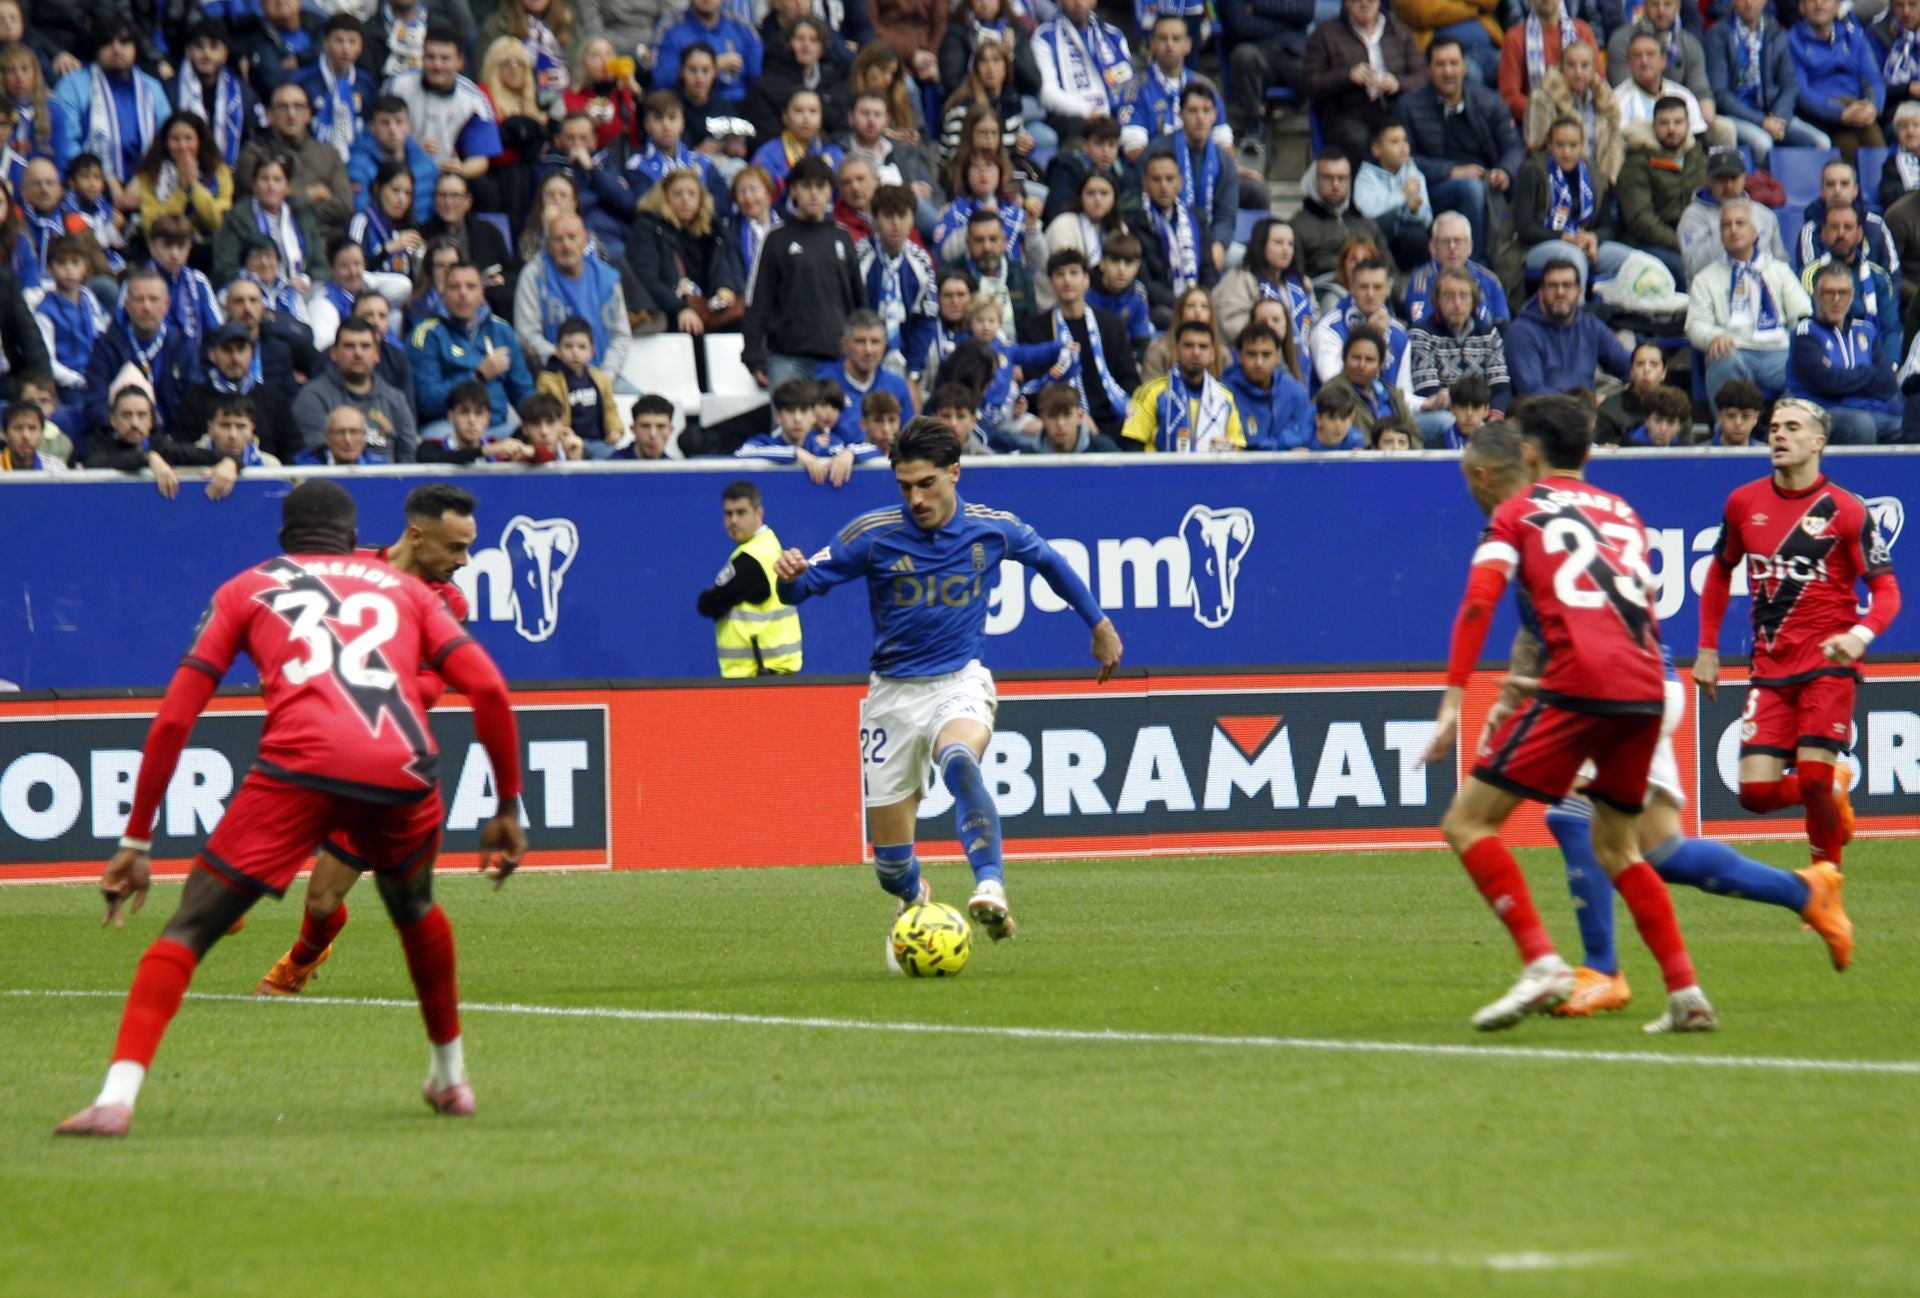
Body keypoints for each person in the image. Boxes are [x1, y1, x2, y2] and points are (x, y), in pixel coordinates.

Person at [55, 480, 524, 1138]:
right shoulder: (410, 594)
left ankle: (116, 1099)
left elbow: (172, 722)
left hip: (301, 761)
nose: (464, 558)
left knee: (190, 926)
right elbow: (491, 690)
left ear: (285, 537)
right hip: (403, 767)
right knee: (414, 908)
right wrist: (508, 803)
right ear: (360, 534)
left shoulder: (247, 587)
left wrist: (136, 839)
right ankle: (451, 1079)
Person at [1454, 426, 1850, 1024]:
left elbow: (1540, 617)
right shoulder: (1593, 509)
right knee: (1658, 848)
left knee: (1571, 817)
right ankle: (1805, 892)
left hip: (1613, 684)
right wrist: (1517, 692)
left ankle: (1601, 970)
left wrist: (1495, 697)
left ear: (1512, 465)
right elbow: (1547, 622)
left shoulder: (1529, 513)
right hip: (1645, 679)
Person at [774, 417, 1122, 951]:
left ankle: (991, 887)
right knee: (890, 866)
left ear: (954, 473)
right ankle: (913, 895)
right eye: (904, 486)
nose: (915, 498)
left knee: (959, 758)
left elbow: (1050, 561)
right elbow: (802, 590)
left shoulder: (991, 527)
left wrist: (1099, 626)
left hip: (959, 681)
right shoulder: (872, 534)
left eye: (926, 484)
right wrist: (789, 576)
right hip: (892, 698)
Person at [1422, 404, 1715, 1034]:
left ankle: (1541, 963)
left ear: (1530, 453)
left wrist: (1453, 701)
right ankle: (1686, 992)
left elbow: (1478, 605)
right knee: (1618, 846)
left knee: (1468, 823)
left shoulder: (1517, 511)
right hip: (1646, 687)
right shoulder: (1625, 514)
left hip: (1582, 686)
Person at [251, 483, 478, 997]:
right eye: (456, 547)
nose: (464, 561)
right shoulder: (346, 568)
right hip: (315, 742)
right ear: (418, 536)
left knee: (323, 901)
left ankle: (302, 959)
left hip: (380, 761)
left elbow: (430, 687)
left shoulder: (447, 602)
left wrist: (376, 682)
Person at [1694, 398, 1901, 876]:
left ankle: (1825, 883)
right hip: (1769, 667)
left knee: (1810, 776)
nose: (1778, 436)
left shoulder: (1847, 510)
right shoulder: (1743, 503)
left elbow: (1888, 592)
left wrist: (1860, 635)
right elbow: (1720, 574)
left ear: (1817, 443)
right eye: (1773, 428)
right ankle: (1833, 787)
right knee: (1755, 794)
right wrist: (1707, 648)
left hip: (1829, 662)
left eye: (1791, 428)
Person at [744, 154, 865, 391]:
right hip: (787, 358)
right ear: (793, 191)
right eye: (806, 186)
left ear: (831, 191)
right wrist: (754, 355)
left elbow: (858, 301)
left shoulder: (843, 237)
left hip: (837, 358)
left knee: (837, 429)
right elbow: (758, 300)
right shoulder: (775, 238)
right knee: (789, 428)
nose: (813, 193)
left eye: (820, 186)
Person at [1395, 38, 1521, 262]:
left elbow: (1513, 147)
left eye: (1453, 63)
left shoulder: (1489, 102)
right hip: (1432, 187)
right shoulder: (1409, 106)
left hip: (1486, 181)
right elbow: (1404, 160)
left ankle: (1508, 260)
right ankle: (1476, 263)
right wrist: (1451, 171)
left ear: (1464, 66)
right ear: (1429, 70)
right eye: (1440, 64)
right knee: (1470, 188)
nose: (1448, 71)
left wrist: (1504, 171)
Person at [1687, 197, 1812, 404]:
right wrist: (1715, 336)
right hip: (1735, 352)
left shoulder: (1779, 271)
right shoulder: (1705, 278)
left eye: (1740, 223)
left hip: (1778, 354)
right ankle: (1727, 432)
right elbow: (1696, 325)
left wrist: (1799, 344)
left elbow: (1802, 314)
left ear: (1755, 233)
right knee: (1721, 359)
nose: (1733, 230)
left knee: (1805, 362)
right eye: (1726, 225)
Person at [1018, 248, 1138, 444]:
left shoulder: (1111, 325)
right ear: (1051, 283)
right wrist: (1076, 417)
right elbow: (1036, 387)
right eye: (1059, 274)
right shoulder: (1033, 330)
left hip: (1112, 420)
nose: (1067, 280)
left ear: (1086, 280)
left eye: (1073, 273)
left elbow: (1128, 378)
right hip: (1060, 423)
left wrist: (1132, 412)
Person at [412, 260, 535, 443]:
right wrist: (478, 374)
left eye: (470, 287)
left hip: (499, 429)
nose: (463, 293)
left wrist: (541, 422)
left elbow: (524, 391)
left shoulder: (501, 330)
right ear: (443, 292)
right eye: (455, 287)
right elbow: (427, 401)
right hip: (447, 429)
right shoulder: (426, 334)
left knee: (538, 436)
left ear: (482, 292)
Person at [696, 480, 804, 678]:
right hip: (774, 672)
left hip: (759, 677)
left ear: (759, 513)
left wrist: (710, 592)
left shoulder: (751, 560)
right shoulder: (769, 543)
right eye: (728, 514)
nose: (734, 520)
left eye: (741, 512)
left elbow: (707, 604)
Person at [1787, 260, 1905, 442]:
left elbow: (1887, 383)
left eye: (1842, 293)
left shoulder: (1866, 331)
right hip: (1820, 414)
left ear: (1851, 296)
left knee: (1905, 425)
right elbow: (1828, 383)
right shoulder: (1806, 333)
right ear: (1816, 295)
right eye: (1829, 293)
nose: (1836, 299)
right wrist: (1867, 373)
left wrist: (1845, 377)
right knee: (1861, 425)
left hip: (1868, 411)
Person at [1301, 0, 1427, 168]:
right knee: (1357, 138)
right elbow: (1309, 83)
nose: (1364, 3)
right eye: (1356, 0)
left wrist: (1398, 83)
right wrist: (1347, 75)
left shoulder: (1399, 31)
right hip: (1347, 113)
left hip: (1394, 109)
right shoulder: (1325, 33)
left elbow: (1423, 77)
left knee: (1414, 132)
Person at [386, 28, 503, 207]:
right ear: (422, 58)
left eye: (445, 58)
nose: (437, 65)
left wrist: (461, 169)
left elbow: (481, 159)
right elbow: (377, 135)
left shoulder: (474, 100)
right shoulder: (398, 86)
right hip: (400, 168)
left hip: (446, 178)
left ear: (460, 62)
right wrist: (411, 151)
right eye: (431, 57)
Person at [1514, 115, 1631, 294]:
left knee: (1633, 260)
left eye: (1573, 145)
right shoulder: (1532, 171)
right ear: (1549, 145)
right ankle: (1577, 317)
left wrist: (1593, 238)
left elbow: (1607, 226)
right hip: (1536, 247)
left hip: (1584, 244)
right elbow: (1525, 228)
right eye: (1560, 145)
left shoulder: (1593, 174)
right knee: (1572, 259)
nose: (1566, 152)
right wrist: (1564, 237)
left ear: (1582, 146)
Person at [50, 18, 165, 199]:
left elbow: (166, 138)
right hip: (87, 189)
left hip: (147, 186)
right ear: (96, 48)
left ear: (135, 47)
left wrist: (146, 177)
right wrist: (101, 178)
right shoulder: (72, 85)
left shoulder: (152, 88)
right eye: (107, 42)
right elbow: (67, 143)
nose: (117, 49)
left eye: (124, 42)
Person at [1704, 0, 1829, 165]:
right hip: (1737, 116)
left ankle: (1808, 190)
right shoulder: (1718, 35)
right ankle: (1763, 188)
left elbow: (1790, 85)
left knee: (1822, 143)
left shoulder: (1776, 32)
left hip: (1773, 115)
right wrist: (1762, 121)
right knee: (1762, 143)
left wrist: (1779, 117)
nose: (1749, 3)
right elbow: (1721, 95)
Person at [235, 81, 354, 244]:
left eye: (298, 107)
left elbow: (344, 206)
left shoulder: (329, 153)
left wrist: (292, 202)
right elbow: (262, 202)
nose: (291, 114)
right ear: (270, 115)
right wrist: (309, 195)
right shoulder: (253, 153)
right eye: (283, 107)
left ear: (308, 114)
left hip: (324, 241)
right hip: (268, 241)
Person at [295, 316, 420, 460]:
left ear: (377, 354)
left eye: (365, 346)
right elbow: (317, 456)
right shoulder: (312, 397)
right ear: (334, 353)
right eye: (349, 346)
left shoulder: (396, 399)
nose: (358, 353)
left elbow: (408, 456)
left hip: (389, 480)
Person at [85, 385, 243, 498]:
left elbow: (205, 455)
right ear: (113, 420)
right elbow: (94, 464)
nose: (134, 423)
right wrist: (148, 458)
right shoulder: (100, 445)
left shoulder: (161, 446)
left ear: (152, 421)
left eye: (142, 415)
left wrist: (231, 462)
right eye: (127, 415)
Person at [1409, 265, 1510, 441]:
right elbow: (1428, 390)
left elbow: (1501, 387)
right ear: (1437, 300)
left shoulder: (1489, 333)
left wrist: (1494, 417)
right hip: (1443, 414)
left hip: (1482, 413)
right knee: (1447, 422)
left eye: (1463, 296)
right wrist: (1471, 418)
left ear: (1474, 300)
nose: (1457, 303)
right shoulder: (1422, 333)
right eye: (1449, 296)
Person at [1505, 258, 1633, 395]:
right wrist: (1582, 405)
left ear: (1579, 292)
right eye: (1552, 286)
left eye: (1567, 285)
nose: (1560, 292)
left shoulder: (1590, 325)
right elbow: (1532, 391)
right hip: (1542, 413)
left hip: (1586, 410)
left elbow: (1628, 368)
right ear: (1540, 293)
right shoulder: (1520, 331)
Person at [1799, 203, 1904, 365]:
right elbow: (1807, 325)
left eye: (1848, 227)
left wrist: (1891, 366)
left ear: (1859, 234)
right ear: (1824, 234)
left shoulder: (1879, 276)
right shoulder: (1810, 275)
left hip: (1872, 358)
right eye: (1834, 227)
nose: (1841, 234)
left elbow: (1890, 327)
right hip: (1828, 356)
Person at [1119, 319, 1244, 453]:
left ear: (1212, 354)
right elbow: (1132, 447)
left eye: (1203, 346)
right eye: (1188, 345)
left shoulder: (1225, 398)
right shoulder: (1150, 392)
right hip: (1160, 472)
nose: (1196, 352)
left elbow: (1237, 448)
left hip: (1211, 473)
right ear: (1176, 350)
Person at [1616, 97, 1703, 285]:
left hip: (1695, 241)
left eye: (1678, 122)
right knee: (1685, 267)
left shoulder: (1698, 158)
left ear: (1688, 124)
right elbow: (1642, 221)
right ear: (1653, 126)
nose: (1671, 129)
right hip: (1649, 244)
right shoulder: (1637, 163)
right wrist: (1683, 244)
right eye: (1664, 123)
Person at [1789, 0, 1887, 163]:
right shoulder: (1793, 41)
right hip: (1819, 115)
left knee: (1850, 138)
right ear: (1801, 7)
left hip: (1855, 113)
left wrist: (1872, 107)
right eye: (1812, 0)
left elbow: (1873, 79)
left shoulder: (1853, 35)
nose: (1819, 4)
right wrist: (1840, 113)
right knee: (1857, 135)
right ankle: (1888, 178)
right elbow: (1801, 92)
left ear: (1837, 7)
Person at [1221, 0, 1315, 163]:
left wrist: (1257, 6)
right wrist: (1288, 24)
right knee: (1243, 56)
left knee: (1314, 65)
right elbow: (1239, 25)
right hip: (1256, 50)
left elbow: (1305, 11)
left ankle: (1292, 108)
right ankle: (1255, 122)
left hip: (1293, 52)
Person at [1309, 256, 1411, 397]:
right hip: (1341, 413)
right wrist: (1371, 336)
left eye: (1377, 287)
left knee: (1442, 417)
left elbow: (1404, 396)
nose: (1370, 294)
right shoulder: (1328, 330)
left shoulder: (1399, 333)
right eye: (1363, 286)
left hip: (1389, 414)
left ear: (1387, 289)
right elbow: (1336, 387)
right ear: (1351, 287)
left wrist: (1429, 403)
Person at [1523, 40, 1623, 184]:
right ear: (1561, 66)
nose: (1578, 72)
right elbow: (1537, 147)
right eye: (1571, 65)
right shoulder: (1543, 99)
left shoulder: (1605, 99)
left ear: (1594, 68)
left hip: (1599, 181)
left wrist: (1606, 179)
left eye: (1584, 66)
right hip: (1557, 181)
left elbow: (1615, 140)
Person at [1679, 148, 1789, 278]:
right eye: (1721, 179)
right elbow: (1694, 267)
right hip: (1713, 291)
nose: (1728, 186)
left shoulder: (1764, 215)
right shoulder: (1693, 216)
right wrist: (1726, 226)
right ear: (1709, 180)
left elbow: (1781, 261)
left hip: (1762, 287)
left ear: (1743, 178)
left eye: (1733, 178)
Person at [736, 377, 870, 483]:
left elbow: (878, 450)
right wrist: (796, 453)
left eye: (804, 411)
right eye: (790, 411)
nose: (798, 418)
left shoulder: (824, 446)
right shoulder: (765, 442)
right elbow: (743, 452)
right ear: (778, 417)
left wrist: (850, 453)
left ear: (813, 416)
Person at [1031, 0, 1132, 141]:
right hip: (1075, 119)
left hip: (1117, 116)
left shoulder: (1114, 36)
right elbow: (1048, 94)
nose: (1078, 3)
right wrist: (1090, 112)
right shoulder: (1045, 36)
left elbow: (1130, 86)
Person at [1293, 152, 1394, 283]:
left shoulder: (1367, 223)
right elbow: (1295, 281)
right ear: (1315, 180)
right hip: (1324, 295)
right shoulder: (1298, 226)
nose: (1335, 185)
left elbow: (1391, 272)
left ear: (1350, 180)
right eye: (1328, 178)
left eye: (1341, 178)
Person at [133, 112, 232, 243]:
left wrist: (194, 186)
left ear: (199, 141)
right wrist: (180, 191)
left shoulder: (219, 170)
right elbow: (151, 224)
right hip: (165, 245)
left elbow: (218, 221)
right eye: (175, 139)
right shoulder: (152, 172)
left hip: (208, 246)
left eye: (188, 139)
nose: (182, 146)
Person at [1214, 217, 1315, 345]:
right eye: (1278, 242)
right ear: (1261, 245)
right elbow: (1233, 325)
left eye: (1290, 244)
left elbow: (1315, 322)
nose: (1286, 249)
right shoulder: (1240, 279)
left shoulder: (1303, 283)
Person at [1401, 212, 1509, 330]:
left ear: (1470, 246)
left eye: (1458, 241)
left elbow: (1503, 327)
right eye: (1445, 241)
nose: (1452, 247)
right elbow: (1421, 327)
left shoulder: (1490, 281)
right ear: (1432, 247)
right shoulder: (1420, 281)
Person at [1497, 0, 1598, 125]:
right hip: (1535, 125)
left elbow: (1599, 83)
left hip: (1584, 122)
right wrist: (1549, 114)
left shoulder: (1582, 32)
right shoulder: (1514, 38)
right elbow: (1509, 97)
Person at [1614, 30, 1723, 145]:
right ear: (1629, 62)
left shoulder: (1683, 95)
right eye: (1637, 55)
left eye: (1650, 54)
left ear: (1664, 60)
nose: (1644, 61)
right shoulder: (1617, 101)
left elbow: (1698, 139)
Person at [1796, 160, 1900, 276]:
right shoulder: (1811, 231)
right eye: (1830, 184)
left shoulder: (1875, 225)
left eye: (1844, 184)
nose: (1837, 191)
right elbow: (1810, 278)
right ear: (1822, 191)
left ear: (1855, 190)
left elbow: (1893, 273)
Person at [1220, 321, 1311, 451]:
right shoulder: (1224, 394)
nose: (1258, 362)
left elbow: (1307, 438)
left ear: (1278, 356)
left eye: (1266, 355)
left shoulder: (1296, 393)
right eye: (1251, 354)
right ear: (1240, 356)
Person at [1355, 121, 1431, 273]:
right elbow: (1368, 210)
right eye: (1394, 142)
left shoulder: (1413, 173)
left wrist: (1413, 211)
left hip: (1406, 239)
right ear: (1376, 150)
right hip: (1379, 235)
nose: (1403, 147)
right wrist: (1403, 196)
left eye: (1405, 140)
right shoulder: (1366, 176)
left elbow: (1428, 217)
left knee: (1417, 235)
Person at [1307, 383, 1364, 449]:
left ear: (1351, 419)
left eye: (1343, 418)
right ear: (1319, 420)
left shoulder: (1355, 442)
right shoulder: (1302, 439)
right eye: (1331, 418)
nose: (1338, 425)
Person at [1710, 378, 1765, 445]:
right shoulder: (1698, 454)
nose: (1738, 423)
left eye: (1745, 416)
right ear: (1719, 416)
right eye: (1731, 415)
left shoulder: (1768, 454)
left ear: (1755, 418)